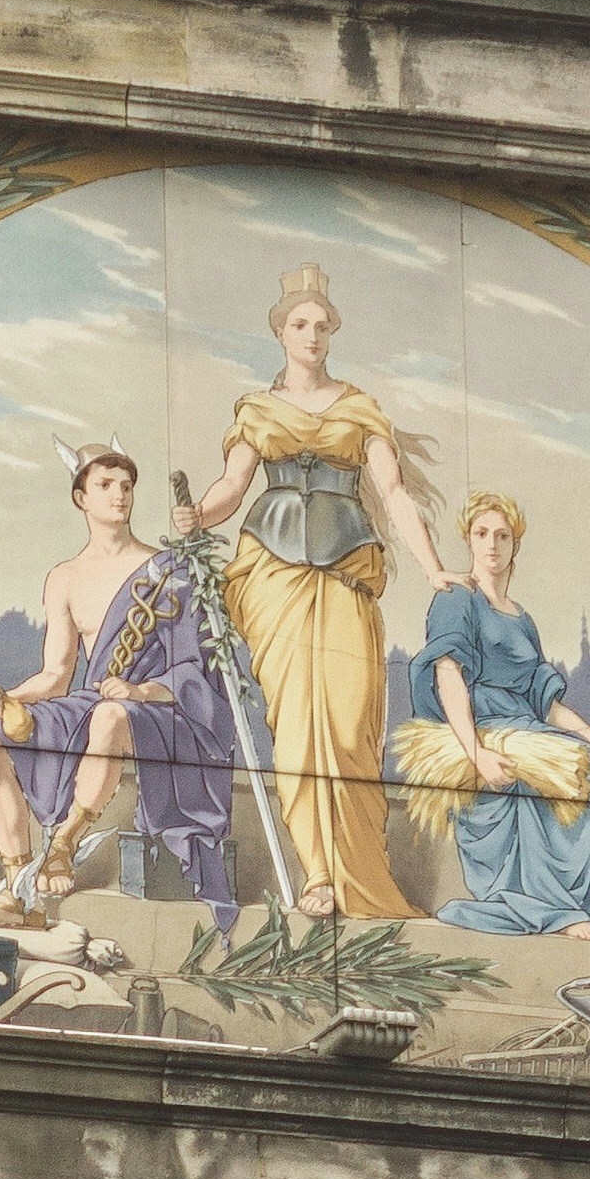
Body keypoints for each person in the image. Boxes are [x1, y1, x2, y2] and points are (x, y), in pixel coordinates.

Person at [186, 266, 446, 925]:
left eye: (322, 324)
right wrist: (199, 517)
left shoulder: (360, 408)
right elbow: (229, 485)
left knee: (353, 721)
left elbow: (392, 494)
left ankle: (361, 870)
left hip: (344, 573)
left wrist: (436, 568)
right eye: (299, 323)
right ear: (280, 330)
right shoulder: (256, 409)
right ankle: (319, 874)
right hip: (272, 574)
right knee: (298, 727)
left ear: (332, 332)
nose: (312, 334)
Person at [387, 489, 590, 958]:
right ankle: (557, 909)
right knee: (585, 767)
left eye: (502, 535)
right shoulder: (456, 599)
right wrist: (476, 752)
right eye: (481, 534)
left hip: (528, 727)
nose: (492, 545)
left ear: (516, 543)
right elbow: (448, 677)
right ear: (468, 540)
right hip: (482, 729)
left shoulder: (522, 618)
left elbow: (546, 702)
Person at [0, 447, 240, 911]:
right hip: (93, 699)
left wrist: (140, 690)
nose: (120, 496)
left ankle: (64, 845)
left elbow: (195, 668)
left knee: (110, 714)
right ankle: (16, 883)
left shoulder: (169, 570)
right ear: (80, 498)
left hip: (162, 710)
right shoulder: (64, 578)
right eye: (105, 486)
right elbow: (55, 675)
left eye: (126, 486)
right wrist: (7, 697)